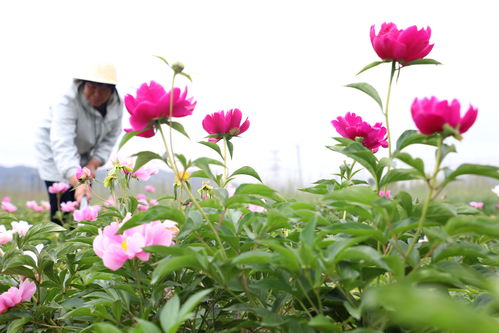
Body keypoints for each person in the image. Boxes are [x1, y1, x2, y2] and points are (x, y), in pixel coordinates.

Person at [34, 62, 123, 224]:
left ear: (112, 90)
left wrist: (93, 164)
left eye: (103, 88)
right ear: (83, 84)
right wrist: (79, 181)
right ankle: (59, 238)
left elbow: (110, 139)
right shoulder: (66, 103)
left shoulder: (116, 106)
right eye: (92, 87)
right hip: (54, 152)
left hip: (85, 153)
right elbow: (63, 144)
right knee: (62, 202)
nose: (97, 93)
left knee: (83, 199)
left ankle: (78, 236)